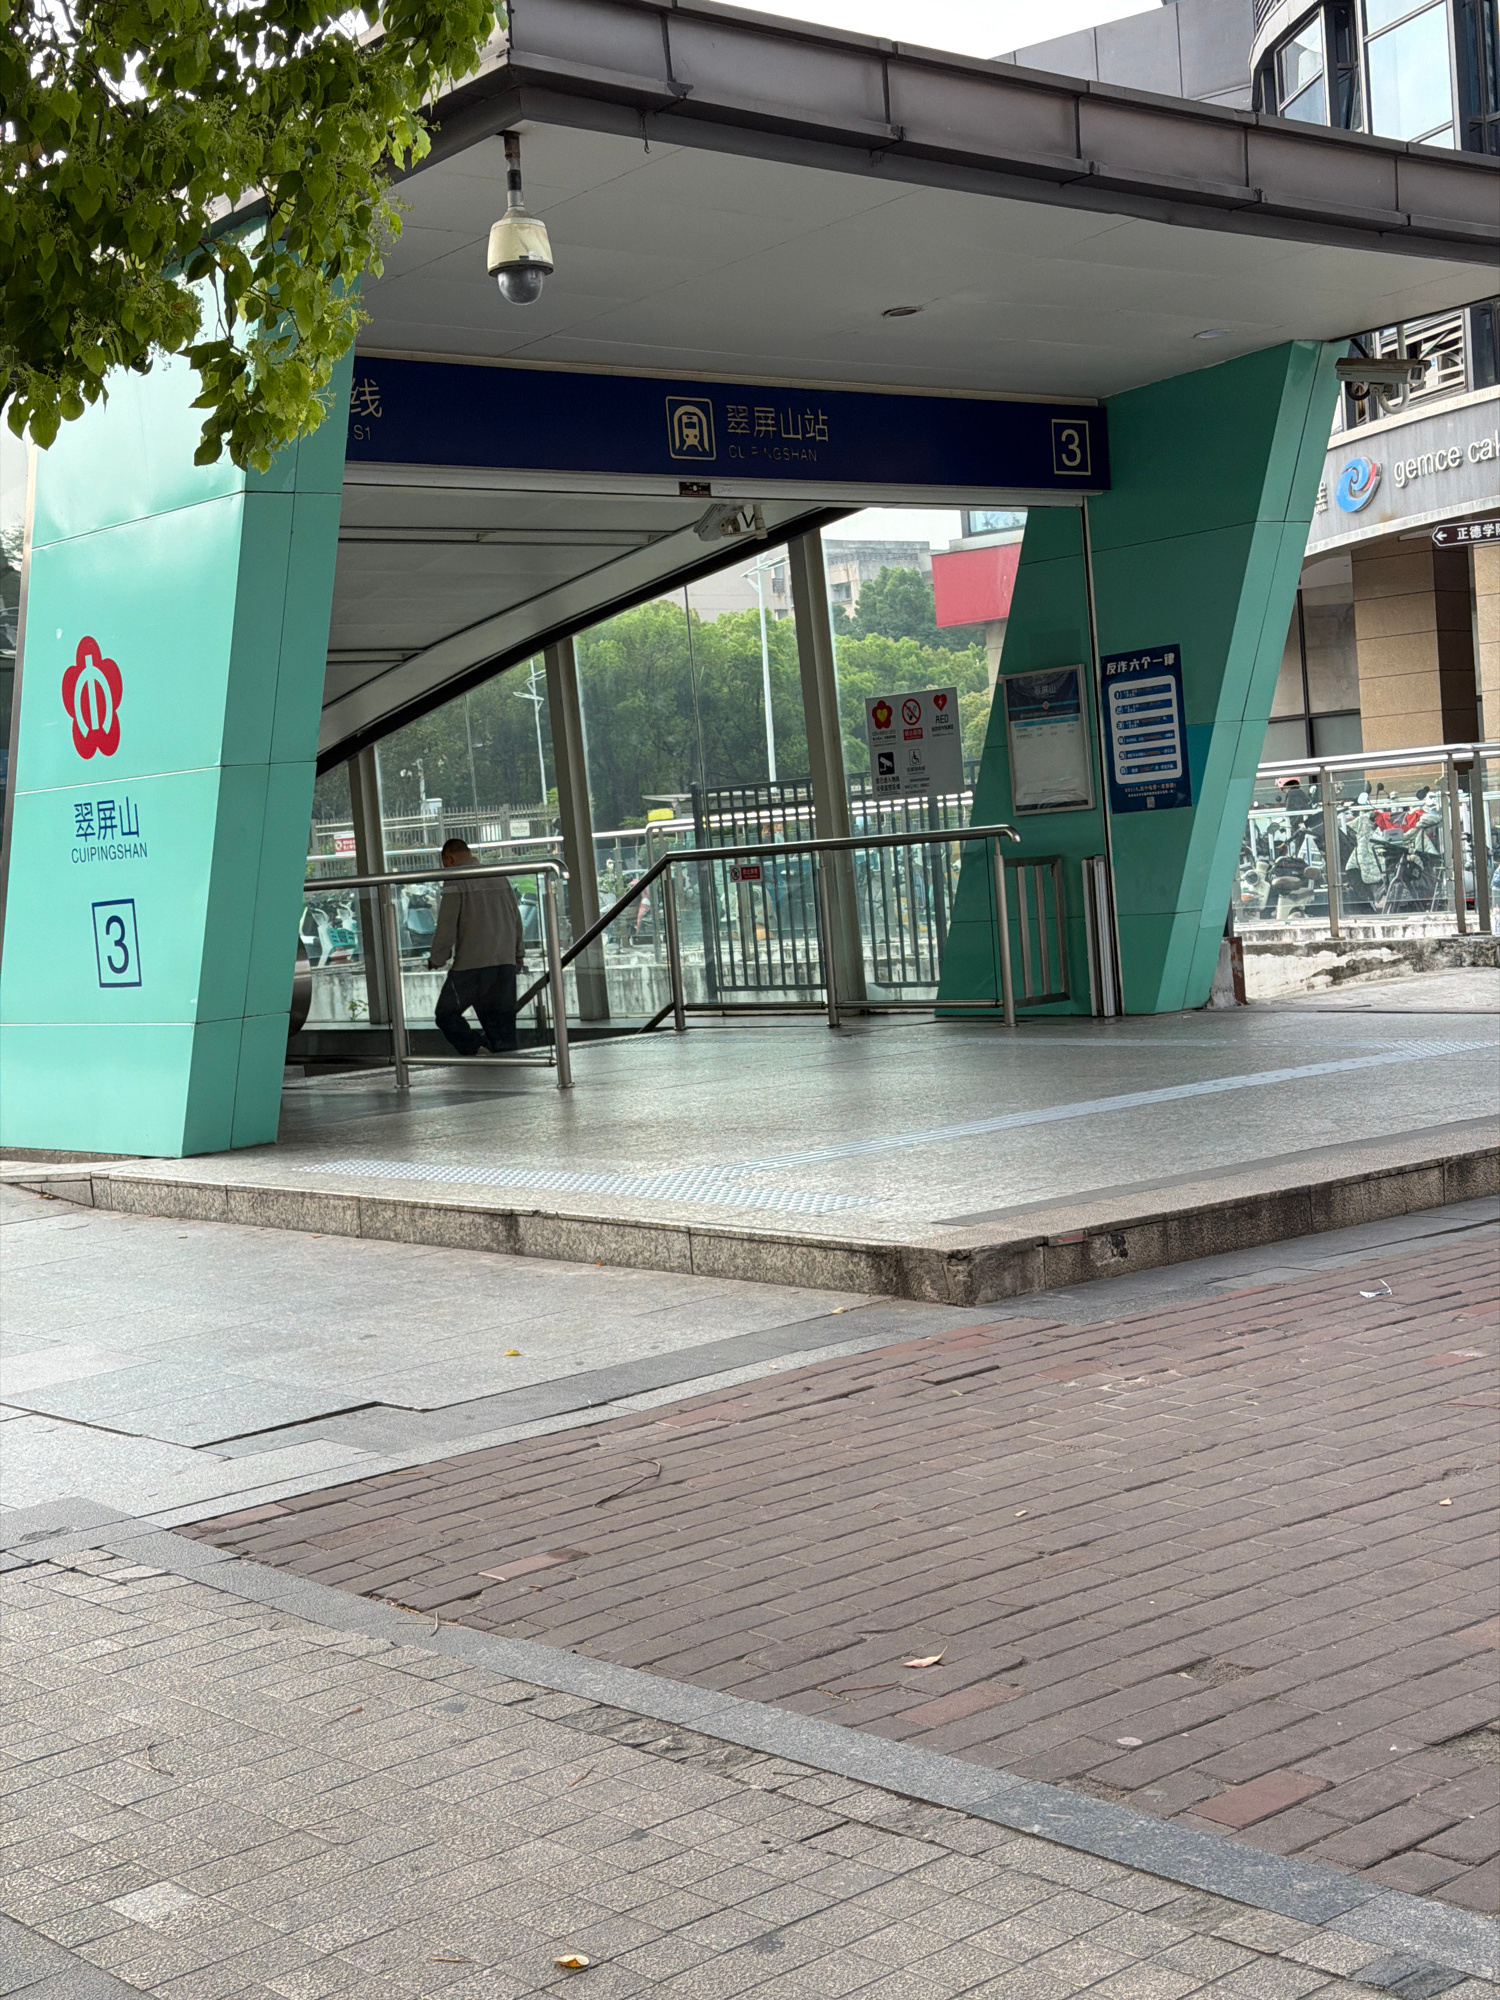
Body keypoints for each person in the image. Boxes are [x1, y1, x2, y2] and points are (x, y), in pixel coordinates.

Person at [427, 839, 525, 1055]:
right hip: (505, 963)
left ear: (448, 858)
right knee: (502, 1028)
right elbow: (515, 917)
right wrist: (518, 953)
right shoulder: (498, 876)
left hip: (471, 965)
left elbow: (446, 923)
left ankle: (477, 1049)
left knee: (446, 1014)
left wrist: (437, 958)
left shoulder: (455, 879)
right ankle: (507, 1065)